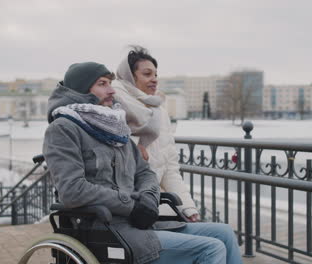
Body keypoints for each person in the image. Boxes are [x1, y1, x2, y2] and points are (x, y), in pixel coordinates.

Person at [43, 61, 242, 264]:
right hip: (105, 228)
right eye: (102, 84)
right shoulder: (63, 129)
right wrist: (131, 206)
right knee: (210, 248)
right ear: (81, 90)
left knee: (223, 233)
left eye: (110, 83)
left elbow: (145, 173)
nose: (111, 90)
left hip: (138, 224)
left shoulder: (114, 128)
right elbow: (72, 189)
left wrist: (147, 199)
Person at [113, 46, 200, 221]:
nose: (154, 80)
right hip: (125, 210)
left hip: (152, 206)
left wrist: (188, 208)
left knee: (220, 234)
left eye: (156, 75)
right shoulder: (112, 108)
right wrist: (134, 144)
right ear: (130, 76)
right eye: (147, 74)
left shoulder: (159, 112)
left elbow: (169, 169)